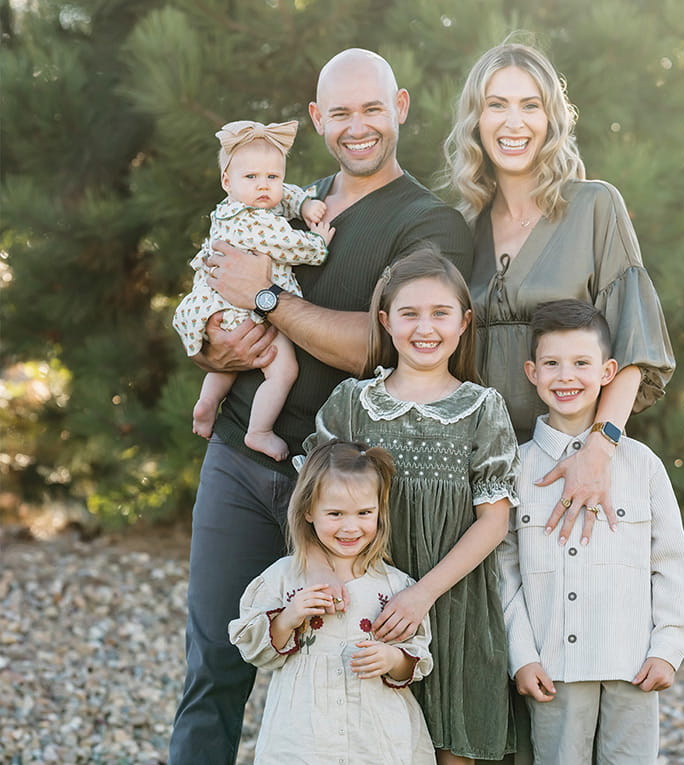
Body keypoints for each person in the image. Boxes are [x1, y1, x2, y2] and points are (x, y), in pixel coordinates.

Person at [169, 48, 473, 765]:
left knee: (353, 667)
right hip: (242, 456)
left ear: (399, 109)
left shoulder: (429, 225)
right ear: (316, 119)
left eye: (373, 108)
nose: (357, 125)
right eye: (340, 112)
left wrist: (269, 298)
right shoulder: (278, 198)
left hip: (345, 485)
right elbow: (215, 292)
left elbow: (381, 343)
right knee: (215, 659)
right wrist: (216, 346)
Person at [444, 41, 676, 546]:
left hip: (571, 466)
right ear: (475, 121)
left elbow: (633, 346)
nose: (514, 122)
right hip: (476, 478)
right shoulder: (460, 227)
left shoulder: (594, 206)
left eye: (530, 105)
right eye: (496, 105)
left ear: (551, 119)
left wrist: (599, 450)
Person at [303, 249, 519, 764]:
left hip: (451, 604)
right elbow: (309, 505)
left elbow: (493, 521)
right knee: (367, 741)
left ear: (465, 323)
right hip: (367, 604)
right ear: (386, 321)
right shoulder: (353, 402)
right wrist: (320, 576)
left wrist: (421, 596)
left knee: (450, 746)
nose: (426, 327)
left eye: (441, 313)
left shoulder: (483, 408)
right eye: (410, 313)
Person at [498, 299, 684, 764]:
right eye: (552, 363)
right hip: (554, 670)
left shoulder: (641, 465)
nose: (565, 376)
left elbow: (672, 564)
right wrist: (521, 655)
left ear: (609, 371)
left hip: (633, 665)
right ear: (532, 372)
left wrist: (668, 647)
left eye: (581, 363)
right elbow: (503, 569)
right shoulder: (518, 467)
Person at [228, 439, 436, 764]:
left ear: (380, 511)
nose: (350, 527)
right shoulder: (284, 577)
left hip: (378, 736)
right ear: (309, 510)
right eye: (335, 513)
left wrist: (392, 659)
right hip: (303, 735)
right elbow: (255, 650)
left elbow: (416, 657)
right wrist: (289, 617)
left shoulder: (395, 586)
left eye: (364, 513)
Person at [172, 119, 334, 462]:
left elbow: (284, 193)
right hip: (244, 307)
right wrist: (318, 241)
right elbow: (292, 246)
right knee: (284, 370)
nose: (264, 186)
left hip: (220, 306)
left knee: (229, 362)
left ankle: (207, 404)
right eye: (252, 178)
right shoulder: (256, 223)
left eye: (271, 177)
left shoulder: (234, 205)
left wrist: (302, 204)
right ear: (226, 181)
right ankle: (259, 431)